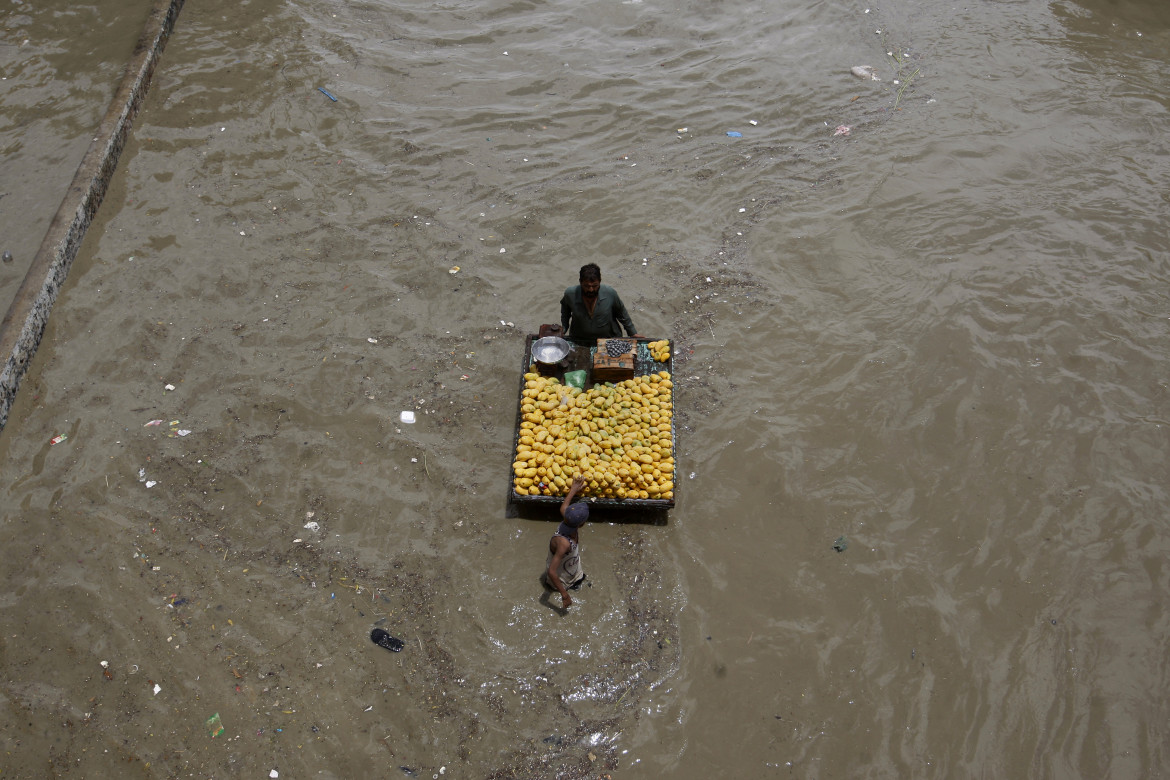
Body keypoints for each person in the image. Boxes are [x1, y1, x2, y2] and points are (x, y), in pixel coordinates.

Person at [560, 263, 641, 343]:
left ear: (600, 282)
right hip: (579, 338)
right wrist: (563, 329)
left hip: (609, 339)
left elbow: (622, 314)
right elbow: (565, 313)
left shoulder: (610, 293)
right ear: (580, 282)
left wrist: (632, 333)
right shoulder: (570, 294)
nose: (591, 290)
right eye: (586, 286)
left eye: (595, 286)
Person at [545, 476, 589, 608]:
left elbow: (564, 506)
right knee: (565, 586)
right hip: (561, 578)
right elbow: (552, 572)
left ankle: (577, 581)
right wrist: (564, 595)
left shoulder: (567, 517)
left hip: (573, 568)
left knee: (579, 581)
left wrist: (574, 489)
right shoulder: (563, 543)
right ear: (582, 524)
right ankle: (566, 589)